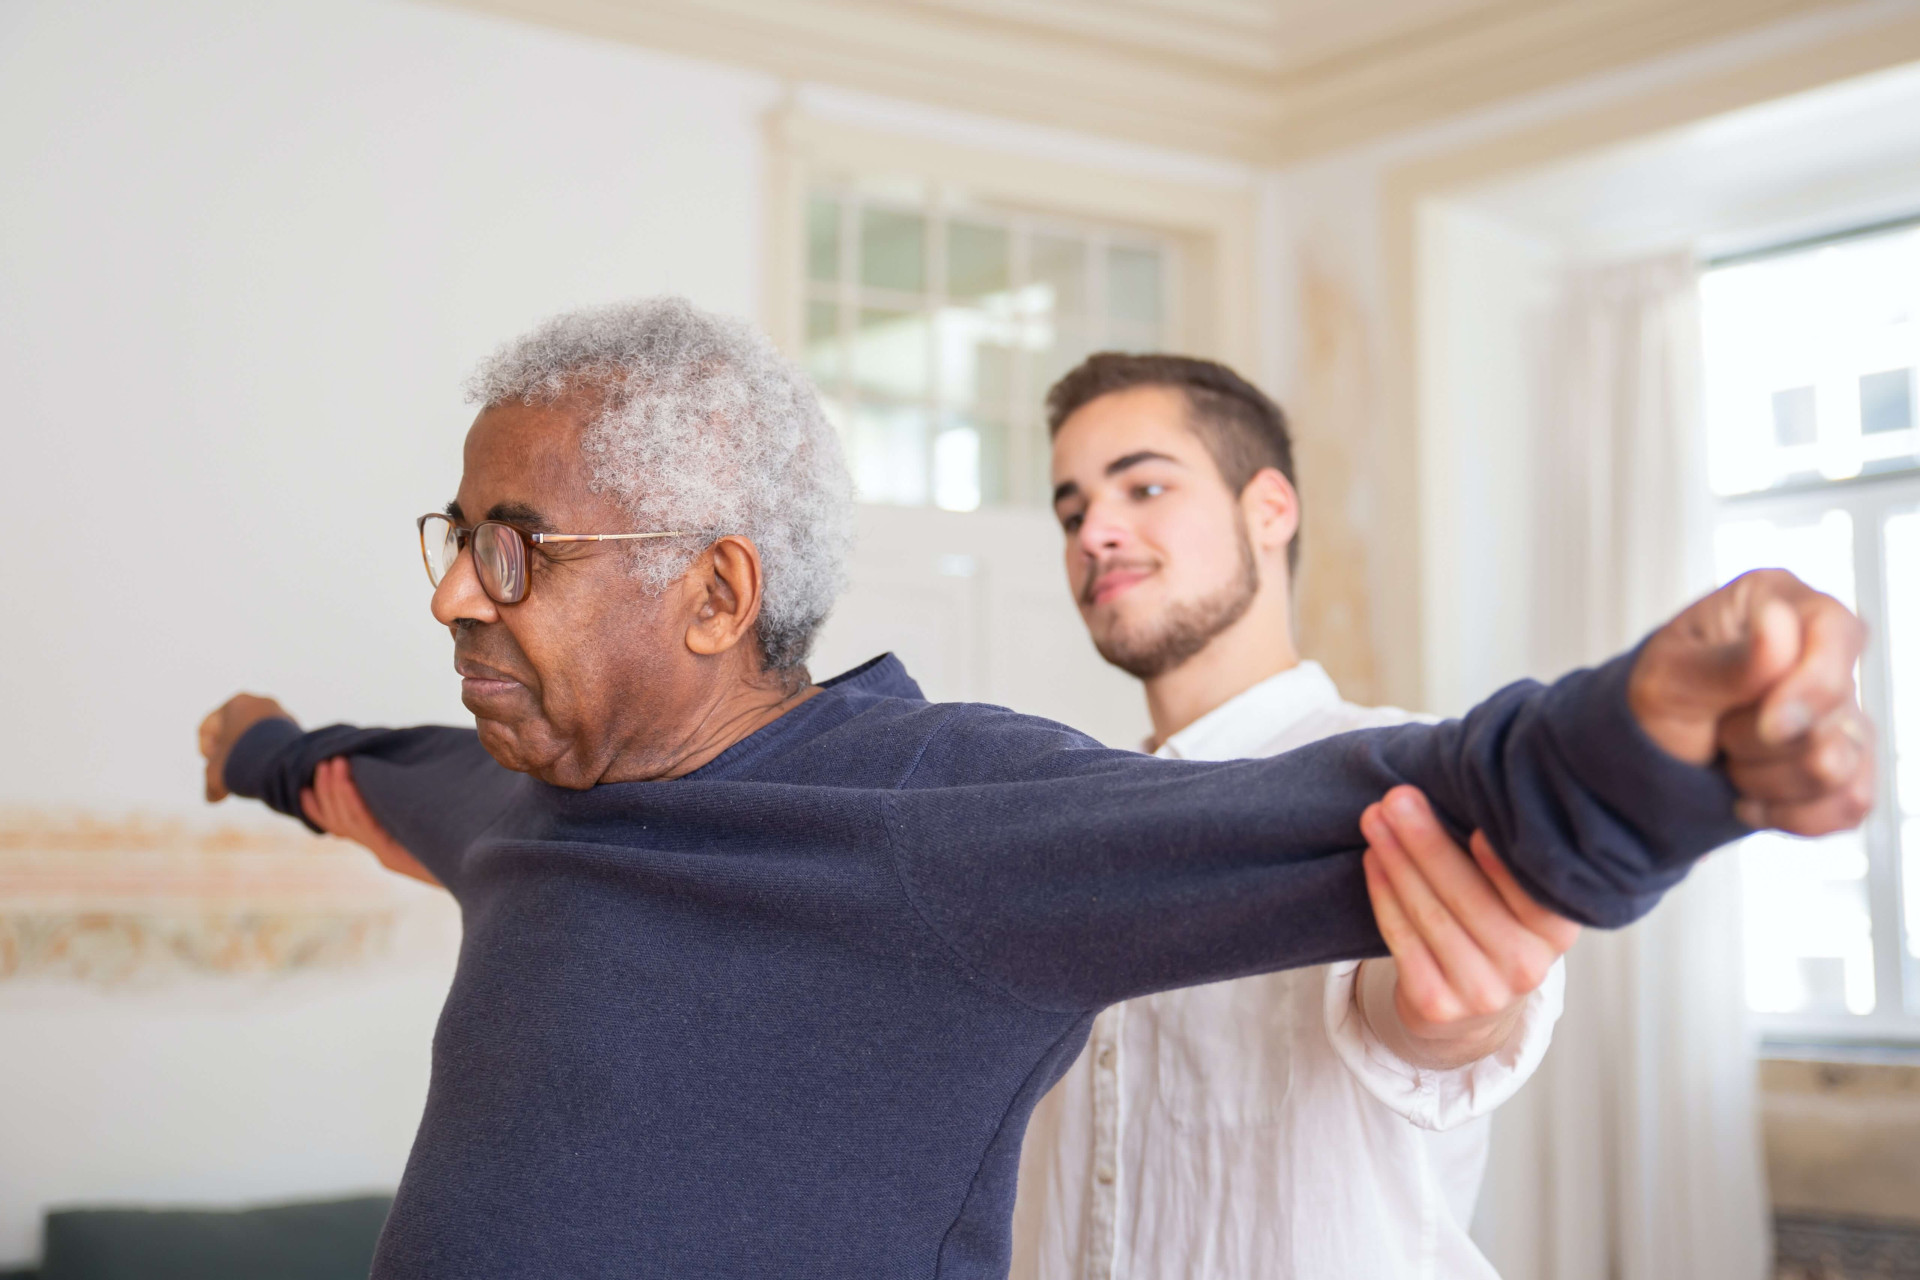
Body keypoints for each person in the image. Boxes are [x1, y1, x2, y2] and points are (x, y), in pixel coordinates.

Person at [197, 297, 1872, 1280]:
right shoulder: (516, 810)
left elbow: (1398, 800)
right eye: (1072, 500)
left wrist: (1673, 744)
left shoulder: (943, 819)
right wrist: (261, 752)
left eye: (513, 551)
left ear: (713, 595)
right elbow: (378, 780)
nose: (453, 596)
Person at [1014, 354, 1576, 1279]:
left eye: (1144, 486)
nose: (1095, 533)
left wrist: (1457, 1014)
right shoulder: (1061, 821)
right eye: (1072, 512)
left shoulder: (1404, 779)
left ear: (1269, 509)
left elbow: (1432, 1028)